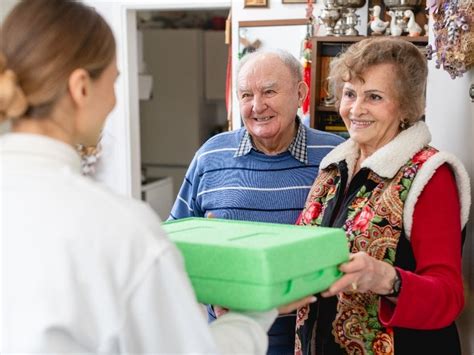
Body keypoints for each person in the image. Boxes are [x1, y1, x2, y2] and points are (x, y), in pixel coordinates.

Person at [0, 1, 315, 353]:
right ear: (82, 88)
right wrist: (255, 312)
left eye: (269, 91)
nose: (114, 102)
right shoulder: (120, 227)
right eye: (114, 82)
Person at [295, 37, 471, 355]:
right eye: (349, 94)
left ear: (406, 106)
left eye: (374, 96)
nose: (356, 109)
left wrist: (386, 278)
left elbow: (449, 298)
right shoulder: (332, 170)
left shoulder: (430, 175)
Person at [169, 49, 344, 354]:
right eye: (246, 95)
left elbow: (353, 242)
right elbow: (172, 246)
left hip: (314, 343)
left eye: (269, 92)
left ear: (300, 93)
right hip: (228, 341)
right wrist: (211, 290)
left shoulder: (336, 156)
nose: (257, 106)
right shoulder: (211, 155)